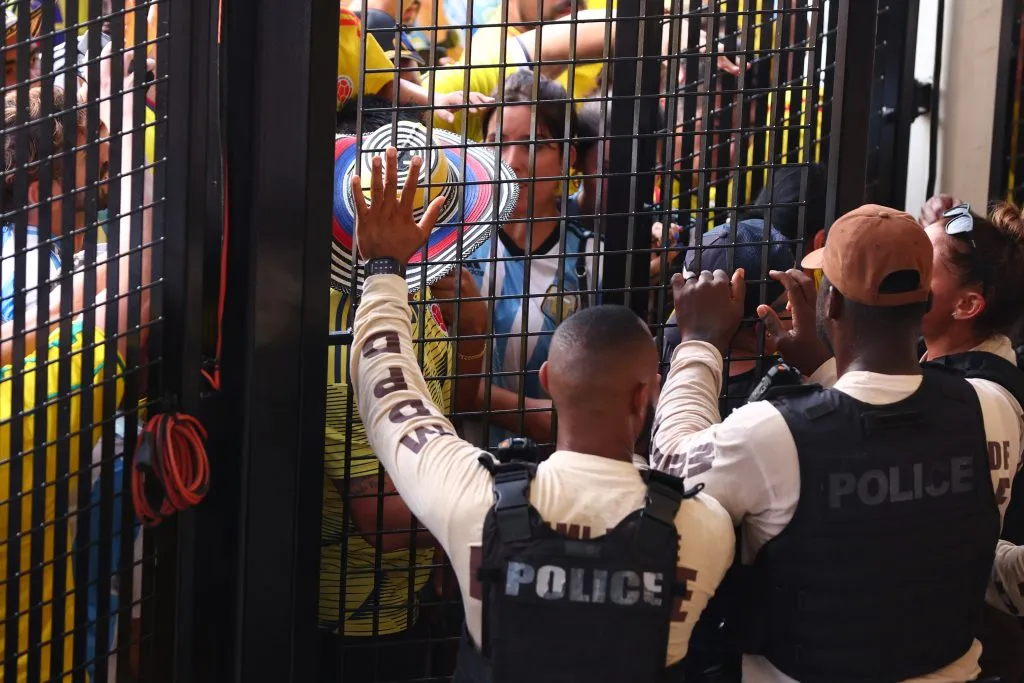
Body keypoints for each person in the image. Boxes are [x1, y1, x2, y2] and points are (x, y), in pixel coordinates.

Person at [349, 144, 735, 683]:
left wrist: (384, 269)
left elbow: (389, 397)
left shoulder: (472, 499)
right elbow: (682, 438)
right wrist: (700, 344)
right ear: (643, 395)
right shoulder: (703, 528)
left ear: (549, 382)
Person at [652, 205, 1021, 683]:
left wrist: (699, 342)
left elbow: (671, 465)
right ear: (923, 302)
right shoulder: (992, 409)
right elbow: (893, 438)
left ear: (834, 307)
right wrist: (829, 369)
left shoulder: (773, 435)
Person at [318, 114, 507, 682]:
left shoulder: (413, 298)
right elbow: (383, 520)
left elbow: (450, 409)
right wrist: (521, 501)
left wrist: (473, 330)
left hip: (419, 597)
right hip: (356, 625)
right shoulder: (340, 349)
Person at [912, 201, 1024, 679]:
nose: (903, 267)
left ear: (966, 305)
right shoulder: (953, 371)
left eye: (920, 263)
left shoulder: (975, 401)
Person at [465, 71, 601, 448]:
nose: (512, 162)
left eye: (534, 145)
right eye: (497, 142)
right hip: (459, 470)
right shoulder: (452, 247)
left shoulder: (591, 261)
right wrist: (534, 416)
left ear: (567, 158)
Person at [661, 220, 795, 417]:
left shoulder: (658, 354)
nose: (794, 305)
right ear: (766, 326)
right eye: (789, 299)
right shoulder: (783, 398)